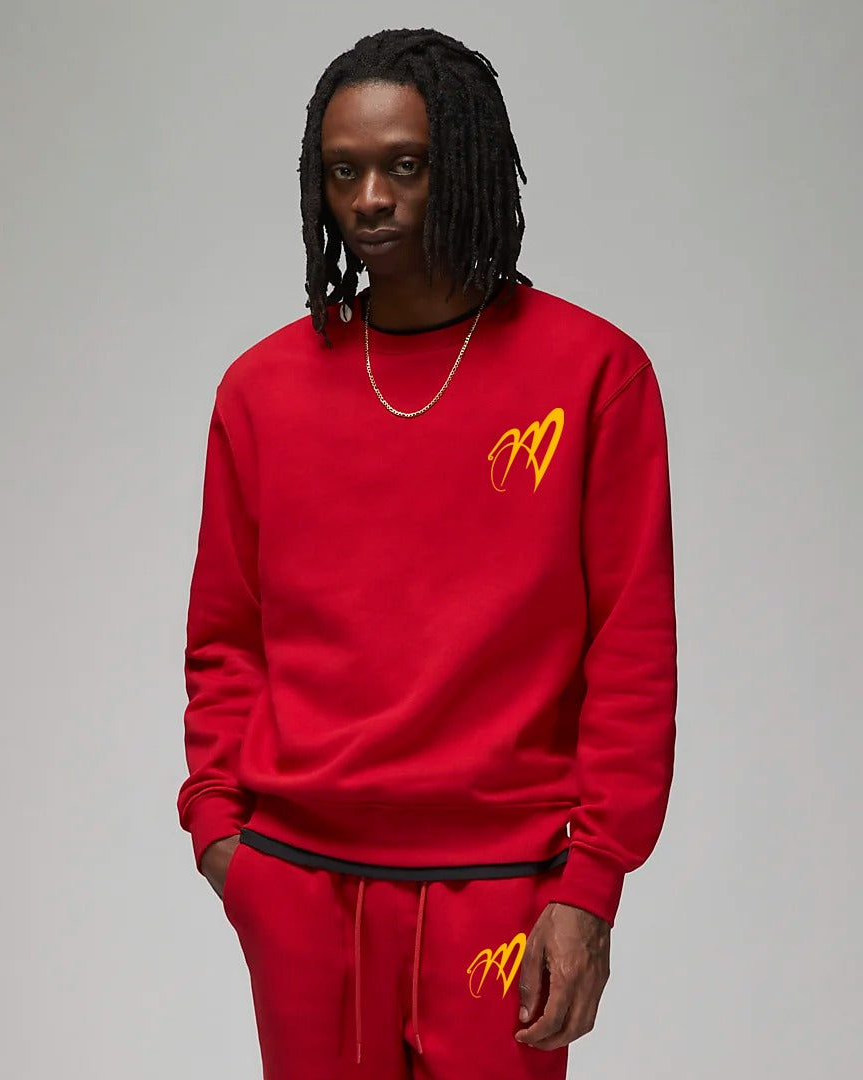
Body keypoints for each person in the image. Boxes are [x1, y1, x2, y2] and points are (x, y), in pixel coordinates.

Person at [177, 26, 677, 1080]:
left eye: (405, 165)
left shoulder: (595, 373)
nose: (370, 200)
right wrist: (221, 829)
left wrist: (591, 883)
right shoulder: (261, 390)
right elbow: (225, 634)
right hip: (299, 876)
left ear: (469, 165)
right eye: (343, 171)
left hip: (505, 884)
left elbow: (631, 650)